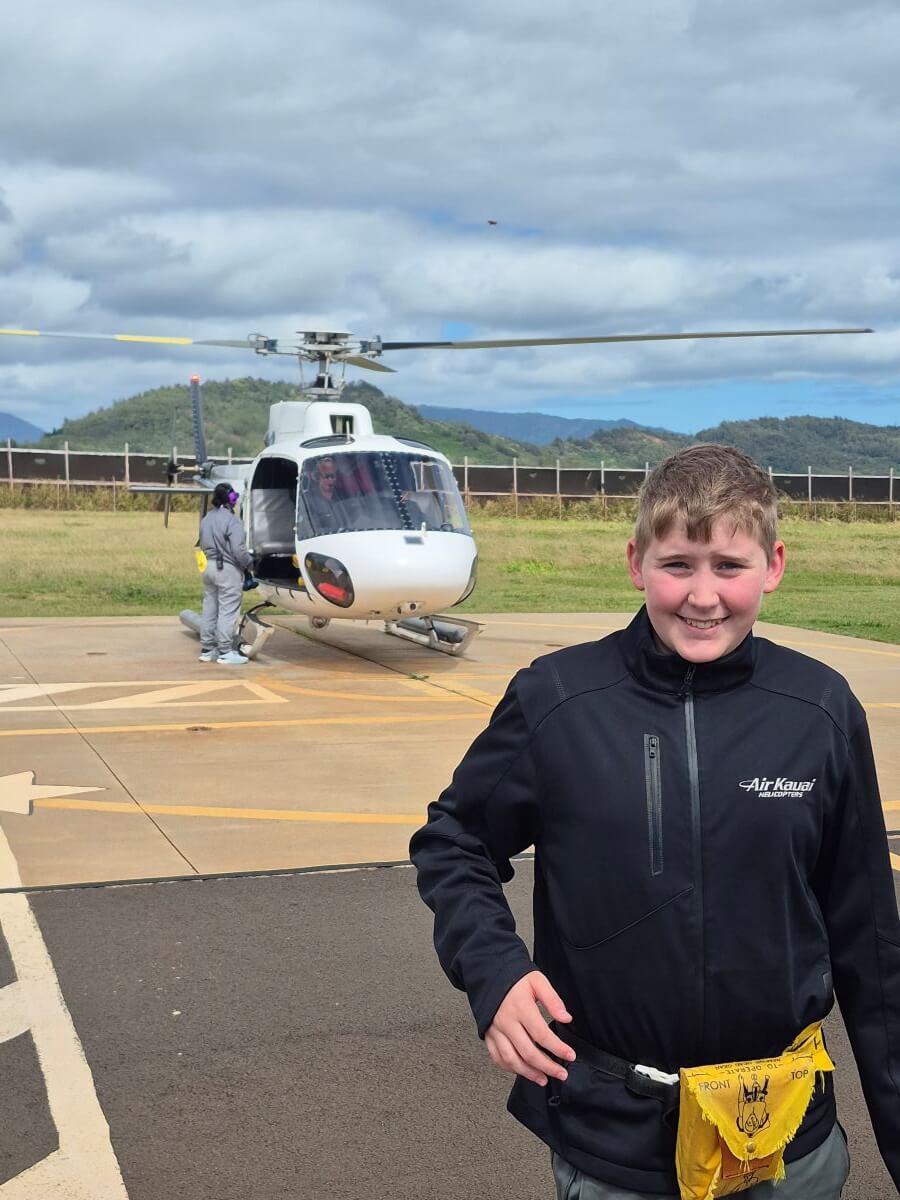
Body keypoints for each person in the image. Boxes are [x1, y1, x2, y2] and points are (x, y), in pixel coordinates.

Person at [410, 444, 900, 1199]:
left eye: (729, 567)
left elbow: (869, 944)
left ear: (773, 565)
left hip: (784, 1147)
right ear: (636, 562)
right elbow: (455, 838)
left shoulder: (822, 710)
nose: (703, 596)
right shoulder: (557, 700)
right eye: (678, 565)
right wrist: (494, 973)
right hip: (616, 1143)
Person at [198, 482, 253, 665]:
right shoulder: (232, 520)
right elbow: (238, 550)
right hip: (227, 569)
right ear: (231, 499)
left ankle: (207, 649)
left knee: (210, 608)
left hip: (208, 567)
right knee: (228, 611)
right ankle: (225, 651)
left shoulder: (206, 518)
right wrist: (250, 564)